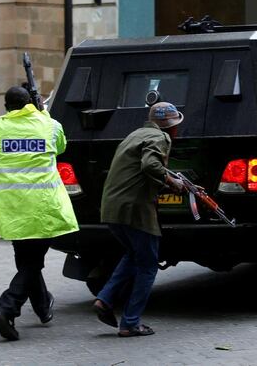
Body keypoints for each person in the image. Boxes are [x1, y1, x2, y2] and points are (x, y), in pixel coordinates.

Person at [0, 86, 79, 341]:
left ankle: (42, 306)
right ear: (32, 103)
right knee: (33, 263)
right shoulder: (49, 125)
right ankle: (6, 307)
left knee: (25, 261)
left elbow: (0, 146)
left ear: (6, 107)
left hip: (13, 207)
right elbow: (61, 147)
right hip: (43, 207)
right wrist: (44, 115)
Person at [92, 101, 186, 337]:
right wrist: (172, 182)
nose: (177, 131)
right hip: (135, 211)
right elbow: (150, 165)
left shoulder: (134, 135)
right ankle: (130, 322)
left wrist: (167, 185)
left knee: (134, 255)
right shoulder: (160, 138)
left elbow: (138, 174)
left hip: (113, 208)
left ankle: (104, 299)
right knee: (147, 265)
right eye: (175, 126)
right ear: (169, 127)